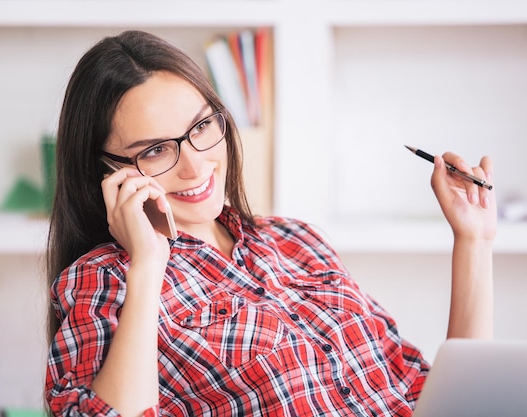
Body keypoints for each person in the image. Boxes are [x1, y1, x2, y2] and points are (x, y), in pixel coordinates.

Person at [44, 30, 496, 417]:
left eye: (201, 127)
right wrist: (147, 267)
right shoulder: (104, 280)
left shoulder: (296, 241)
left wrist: (473, 238)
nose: (195, 165)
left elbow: (444, 399)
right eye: (155, 150)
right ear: (108, 173)